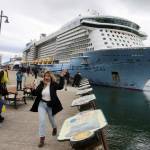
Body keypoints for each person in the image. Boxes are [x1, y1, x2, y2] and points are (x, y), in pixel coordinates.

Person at [30, 70, 66, 148]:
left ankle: (54, 128)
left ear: (51, 77)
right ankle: (42, 139)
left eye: (48, 76)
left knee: (51, 119)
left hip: (50, 105)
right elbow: (35, 93)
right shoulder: (42, 84)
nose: (46, 77)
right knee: (42, 121)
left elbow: (61, 87)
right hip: (41, 105)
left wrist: (62, 77)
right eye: (45, 76)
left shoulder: (53, 84)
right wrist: (32, 88)